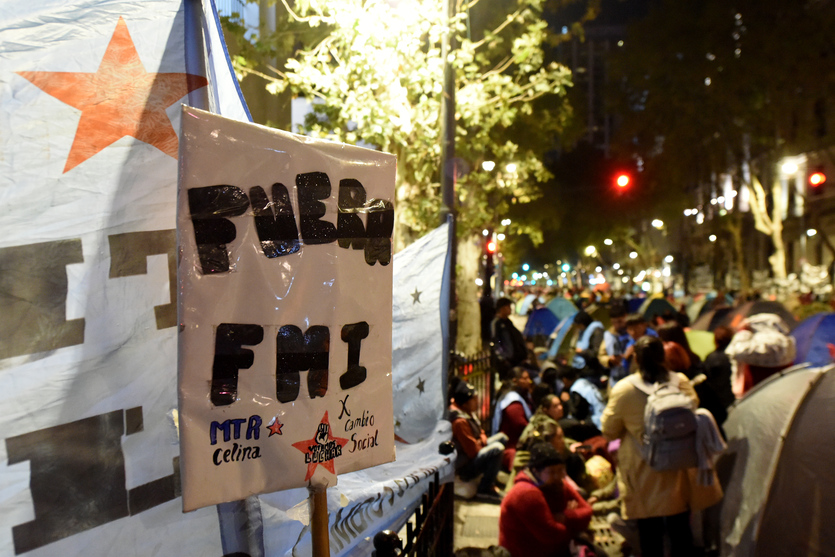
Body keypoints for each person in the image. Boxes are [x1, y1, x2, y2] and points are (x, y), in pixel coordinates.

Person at [600, 335, 699, 557]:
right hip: (678, 466)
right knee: (681, 531)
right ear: (663, 357)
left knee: (649, 535)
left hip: (643, 470)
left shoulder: (624, 390)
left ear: (635, 357)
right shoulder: (680, 382)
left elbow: (609, 430)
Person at [499, 442, 593, 557]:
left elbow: (587, 512)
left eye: (560, 470)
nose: (558, 476)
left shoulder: (557, 483)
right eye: (552, 472)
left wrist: (566, 516)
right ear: (535, 471)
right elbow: (553, 535)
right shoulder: (526, 493)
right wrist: (574, 521)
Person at [449, 380, 507, 499]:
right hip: (464, 467)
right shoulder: (460, 421)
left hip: (476, 448)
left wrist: (480, 440)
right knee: (497, 449)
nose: (477, 402)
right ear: (465, 403)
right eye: (474, 399)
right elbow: (472, 451)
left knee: (502, 438)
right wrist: (480, 441)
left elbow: (481, 432)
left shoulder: (468, 412)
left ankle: (492, 479)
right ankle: (485, 489)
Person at [725, 313, 796, 397]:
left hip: (763, 394)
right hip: (787, 389)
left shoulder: (763, 345)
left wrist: (743, 331)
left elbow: (735, 351)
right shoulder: (787, 342)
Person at [492, 368, 534, 452]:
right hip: (512, 445)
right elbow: (520, 424)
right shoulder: (512, 399)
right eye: (525, 378)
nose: (529, 381)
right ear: (515, 381)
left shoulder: (521, 394)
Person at [492, 297, 530, 377]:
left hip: (516, 360)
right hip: (509, 362)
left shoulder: (508, 322)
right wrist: (503, 359)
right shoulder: (497, 324)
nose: (510, 309)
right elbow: (496, 343)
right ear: (502, 308)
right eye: (508, 307)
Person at [598, 304, 632, 384]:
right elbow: (601, 355)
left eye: (620, 321)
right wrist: (610, 360)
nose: (617, 325)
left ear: (626, 317)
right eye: (614, 322)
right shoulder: (608, 335)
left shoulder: (633, 331)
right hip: (616, 378)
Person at [703, 326, 735, 410]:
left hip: (722, 401)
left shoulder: (711, 358)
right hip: (739, 394)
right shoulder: (736, 354)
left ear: (715, 340)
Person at [568, 311, 605, 375]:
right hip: (582, 370)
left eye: (579, 325)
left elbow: (596, 352)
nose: (578, 328)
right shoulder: (582, 332)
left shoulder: (596, 330)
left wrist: (581, 352)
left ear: (583, 323)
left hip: (592, 370)